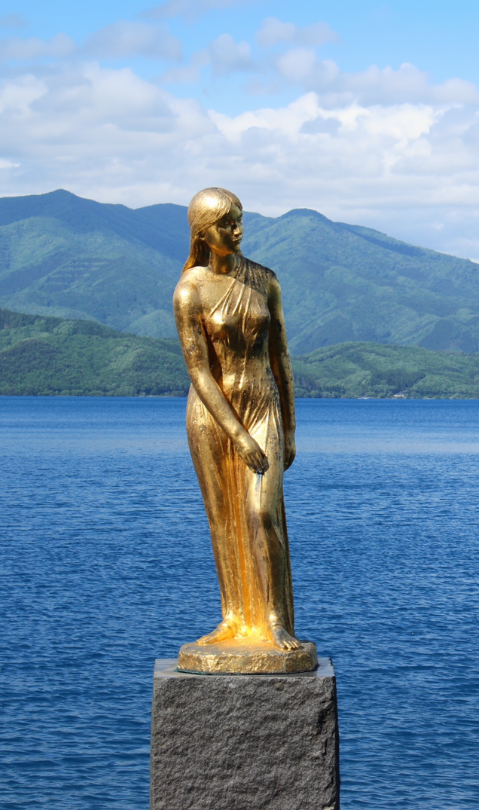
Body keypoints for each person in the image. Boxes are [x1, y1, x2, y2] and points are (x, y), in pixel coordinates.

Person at [173, 187, 301, 652]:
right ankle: (233, 617)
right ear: (202, 234)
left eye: (239, 220)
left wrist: (290, 427)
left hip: (262, 404)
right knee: (223, 518)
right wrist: (238, 436)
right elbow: (199, 371)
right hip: (212, 415)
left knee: (261, 513)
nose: (237, 230)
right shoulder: (190, 290)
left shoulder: (265, 280)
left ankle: (274, 619)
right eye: (226, 224)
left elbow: (281, 356)